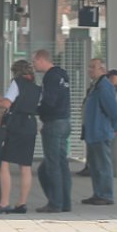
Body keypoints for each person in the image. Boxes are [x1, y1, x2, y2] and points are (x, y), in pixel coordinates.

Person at [0, 60, 41, 214]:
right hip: (30, 126)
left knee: (4, 164)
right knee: (25, 167)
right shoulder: (37, 88)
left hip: (16, 125)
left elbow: (7, 104)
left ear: (16, 72)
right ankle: (21, 203)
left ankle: (3, 203)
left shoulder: (17, 83)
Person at [34, 49, 72, 213]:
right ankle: (65, 202)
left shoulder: (50, 77)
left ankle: (55, 202)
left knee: (52, 164)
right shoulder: (63, 75)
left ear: (42, 60)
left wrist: (37, 110)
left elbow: (49, 101)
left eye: (34, 61)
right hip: (64, 121)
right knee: (61, 163)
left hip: (53, 123)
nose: (33, 65)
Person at [81, 59, 117, 206]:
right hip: (92, 132)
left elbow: (113, 110)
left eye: (93, 67)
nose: (90, 70)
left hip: (101, 131)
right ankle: (98, 193)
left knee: (103, 164)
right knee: (95, 166)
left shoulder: (104, 86)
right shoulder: (95, 85)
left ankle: (106, 194)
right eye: (89, 66)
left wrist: (116, 127)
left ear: (103, 70)